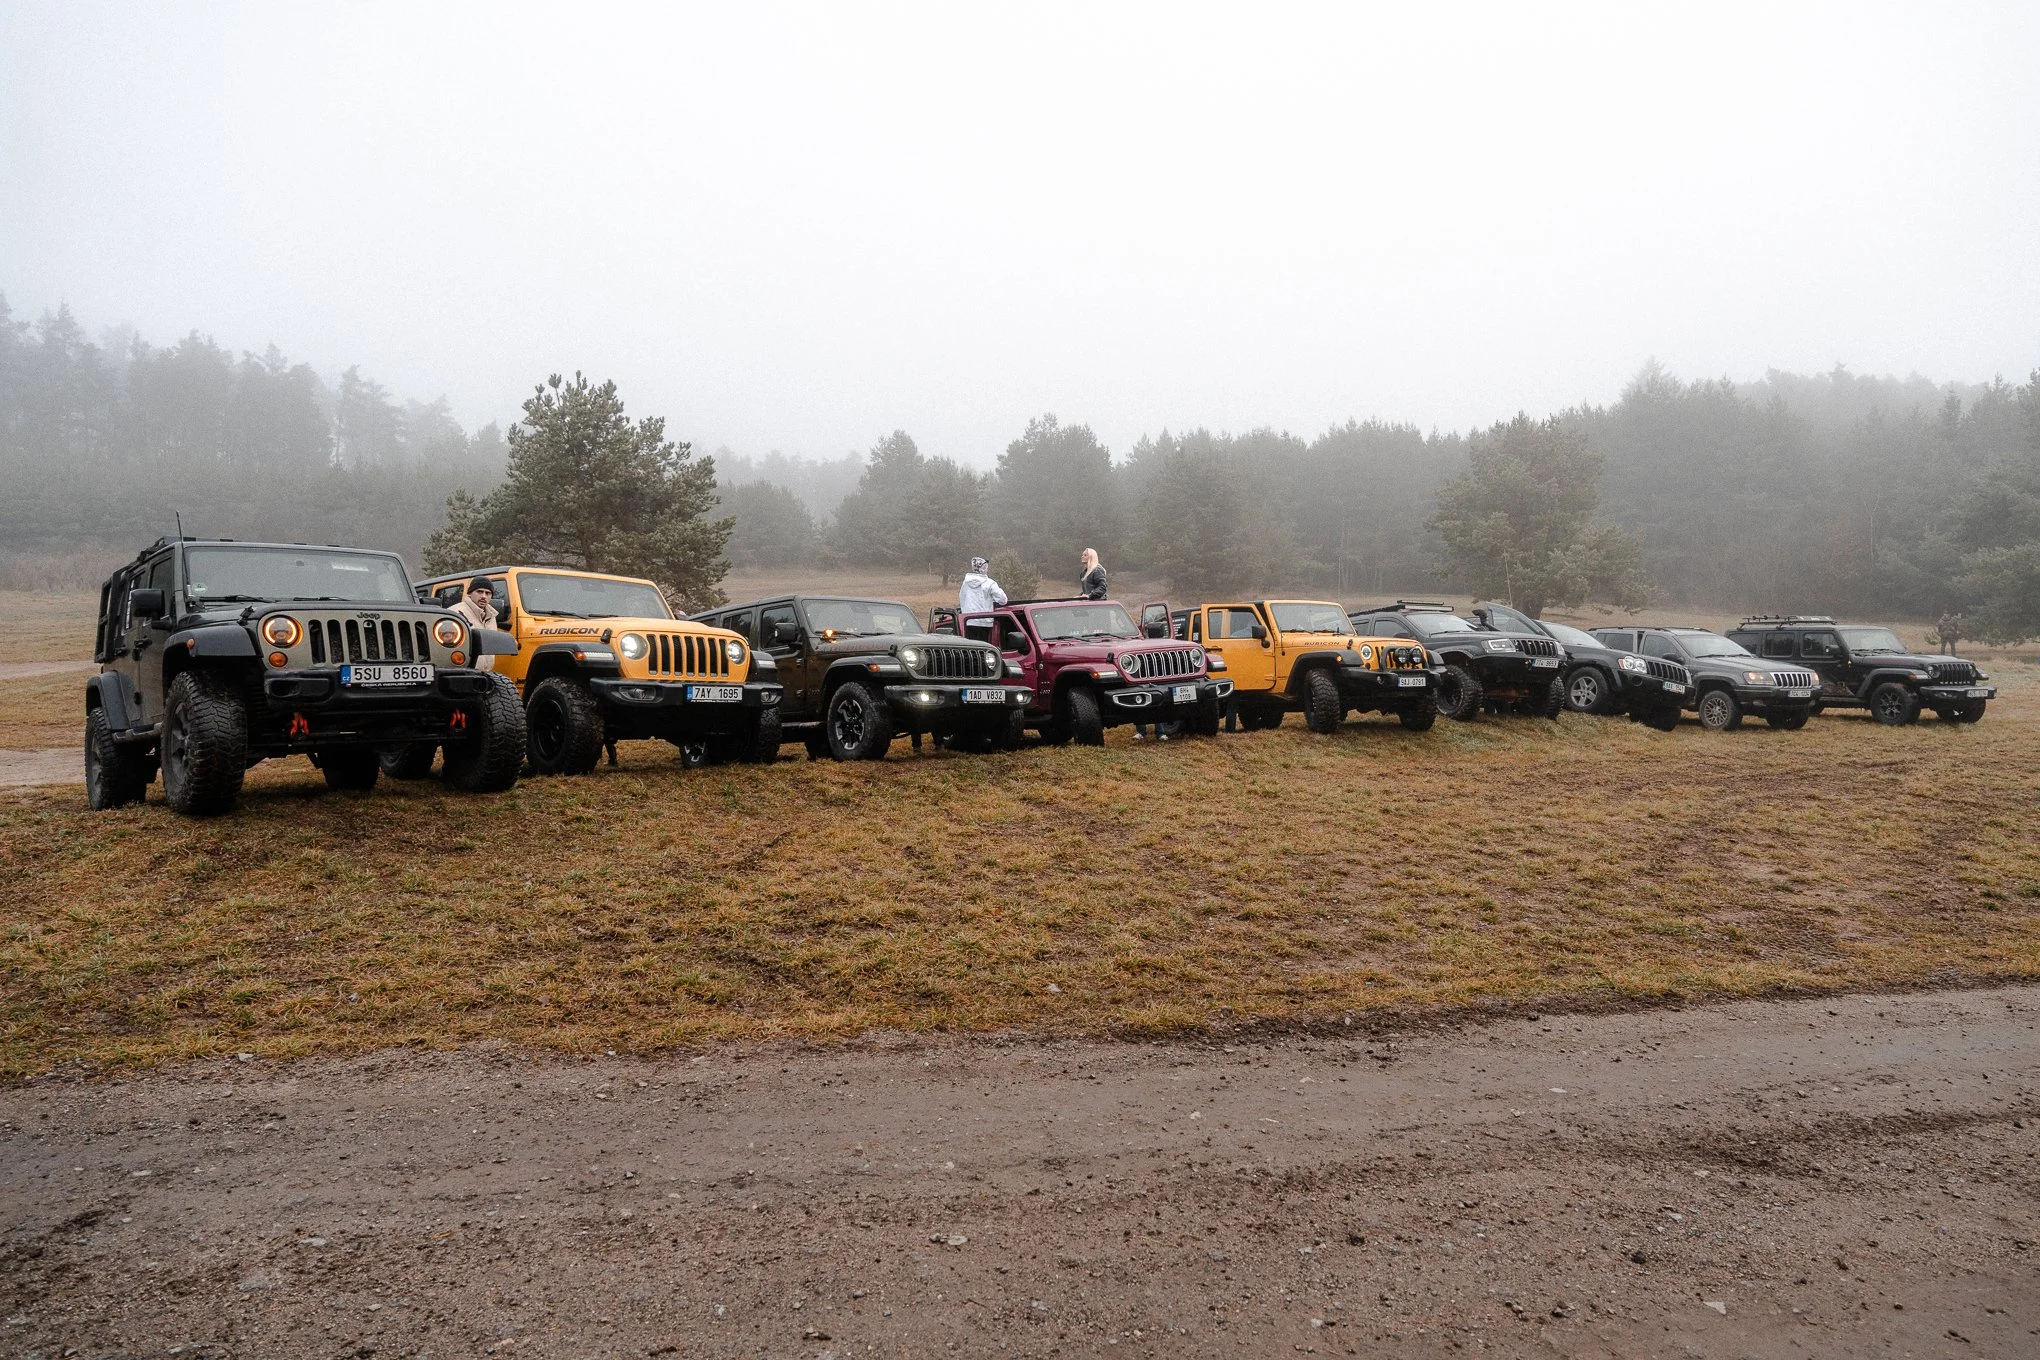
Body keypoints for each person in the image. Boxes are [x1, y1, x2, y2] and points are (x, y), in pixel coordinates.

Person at [447, 576, 498, 672]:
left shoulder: (491, 616)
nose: (483, 596)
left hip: (485, 672)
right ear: (470, 593)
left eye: (488, 593)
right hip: (459, 672)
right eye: (479, 592)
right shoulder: (455, 613)